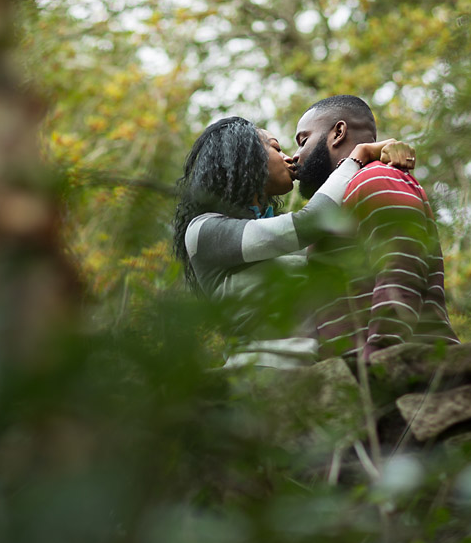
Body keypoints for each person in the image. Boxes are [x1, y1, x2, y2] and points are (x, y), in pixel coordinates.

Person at [173, 116, 415, 369]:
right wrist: (358, 156)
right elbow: (310, 223)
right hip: (253, 381)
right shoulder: (203, 231)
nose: (290, 158)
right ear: (241, 155)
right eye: (276, 148)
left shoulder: (275, 234)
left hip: (314, 381)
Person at [291, 95, 459, 363]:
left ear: (338, 132)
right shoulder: (336, 205)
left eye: (303, 140)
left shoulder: (375, 177)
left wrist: (380, 358)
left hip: (410, 377)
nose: (295, 155)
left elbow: (401, 268)